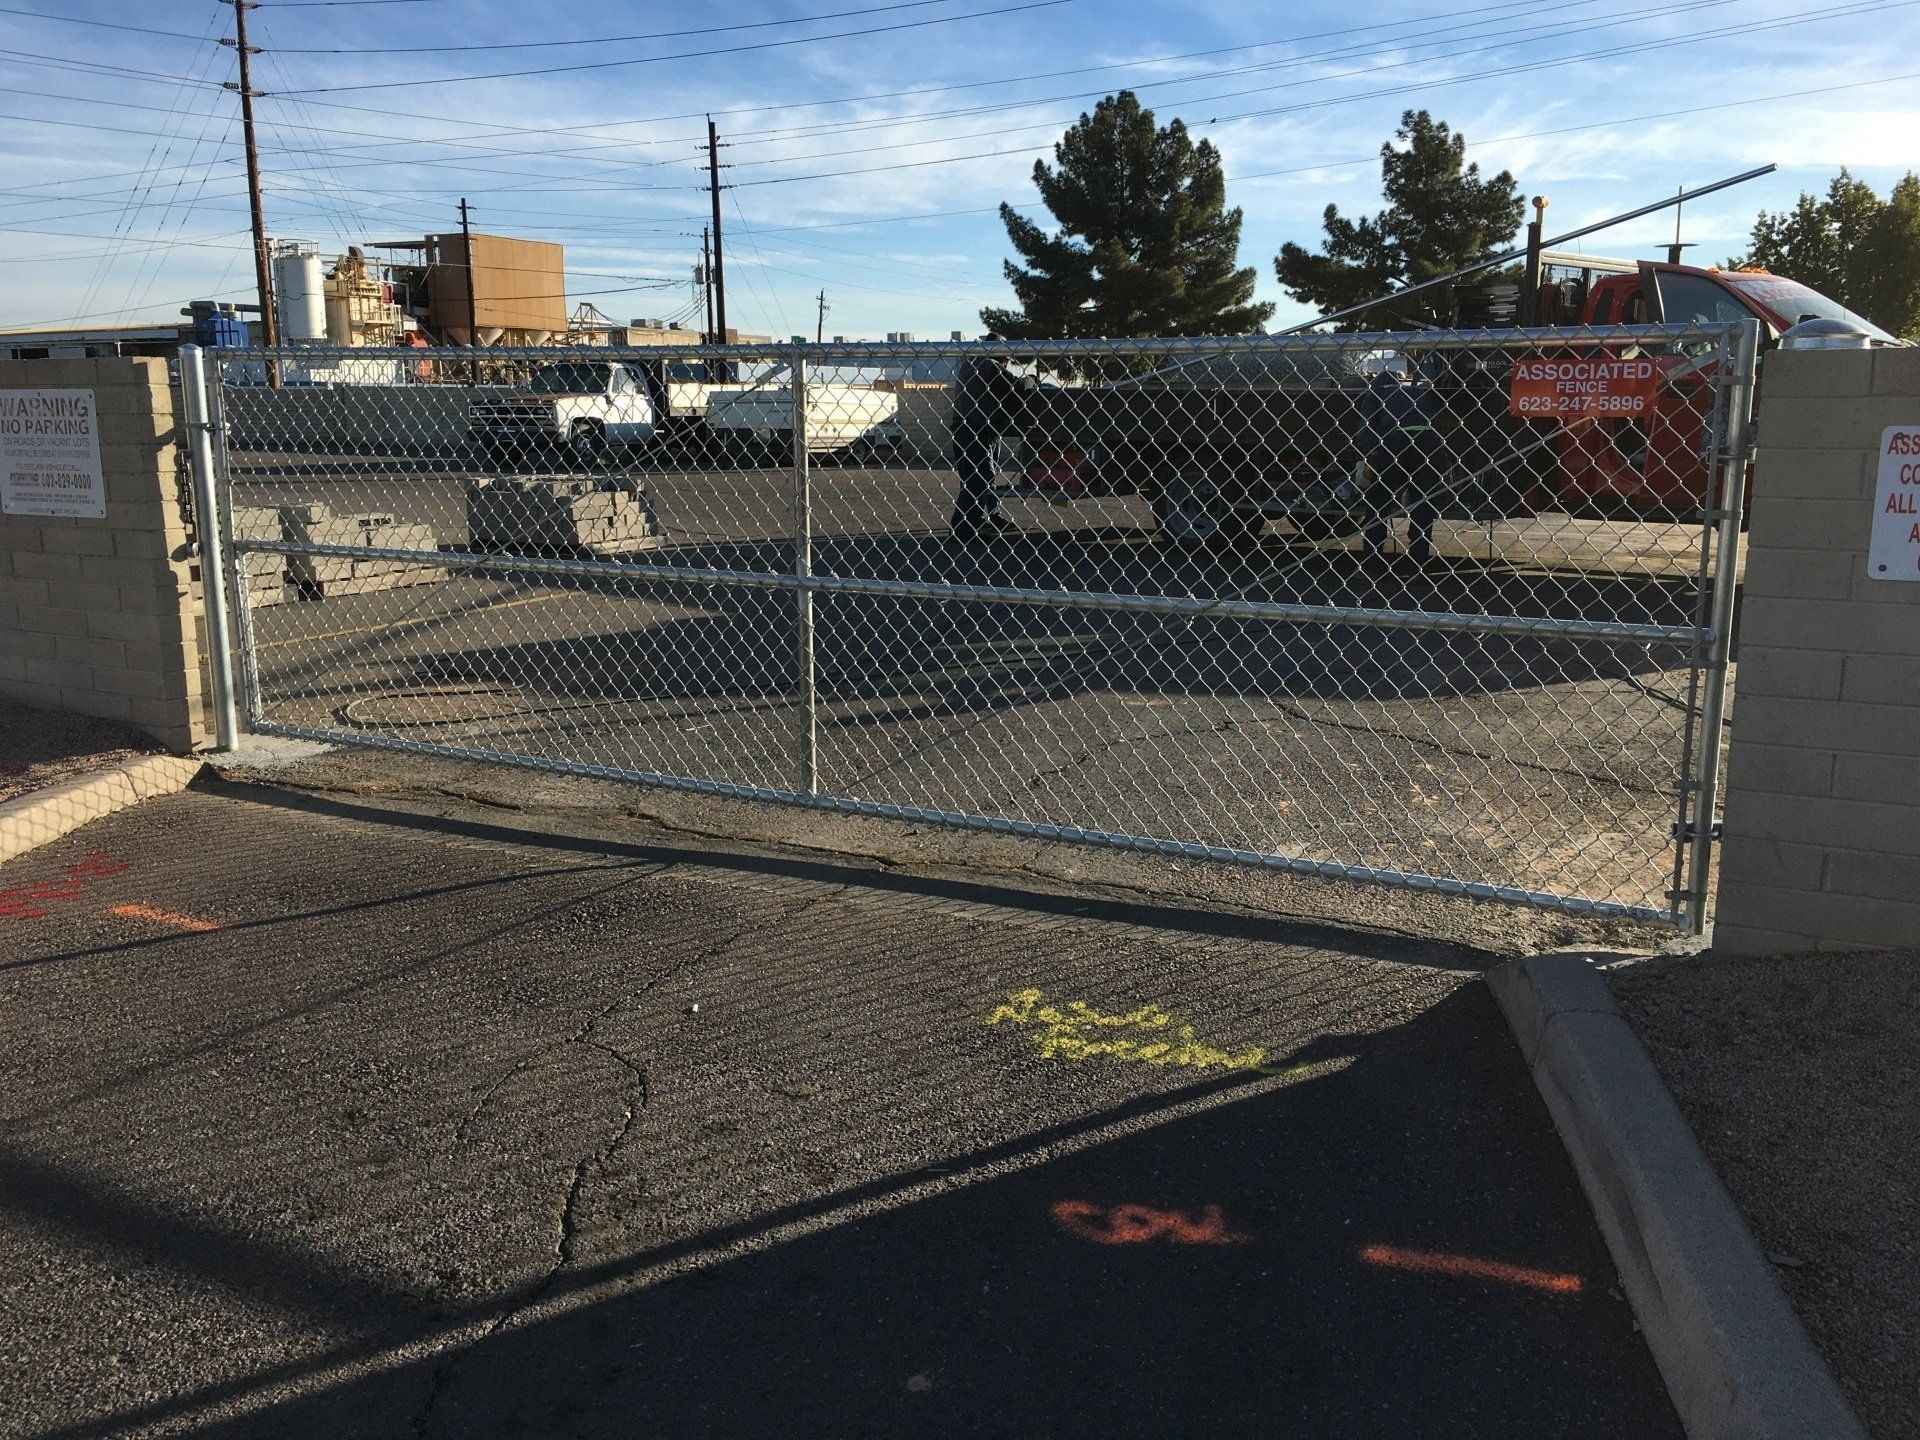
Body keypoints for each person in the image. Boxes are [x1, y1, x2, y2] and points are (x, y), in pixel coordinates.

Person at [1352, 361, 1445, 566]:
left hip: (1395, 441)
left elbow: (1365, 431)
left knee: (1379, 500)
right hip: (1428, 443)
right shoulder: (1417, 392)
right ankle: (1418, 562)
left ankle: (1372, 561)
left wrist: (1365, 459)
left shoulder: (1375, 393)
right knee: (1422, 502)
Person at [948, 337, 1040, 543]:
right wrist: (1033, 379)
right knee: (977, 479)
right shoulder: (988, 366)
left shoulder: (970, 364)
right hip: (976, 429)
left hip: (968, 428)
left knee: (977, 478)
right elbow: (1017, 385)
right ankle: (963, 528)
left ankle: (975, 521)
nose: (1007, 362)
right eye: (1006, 358)